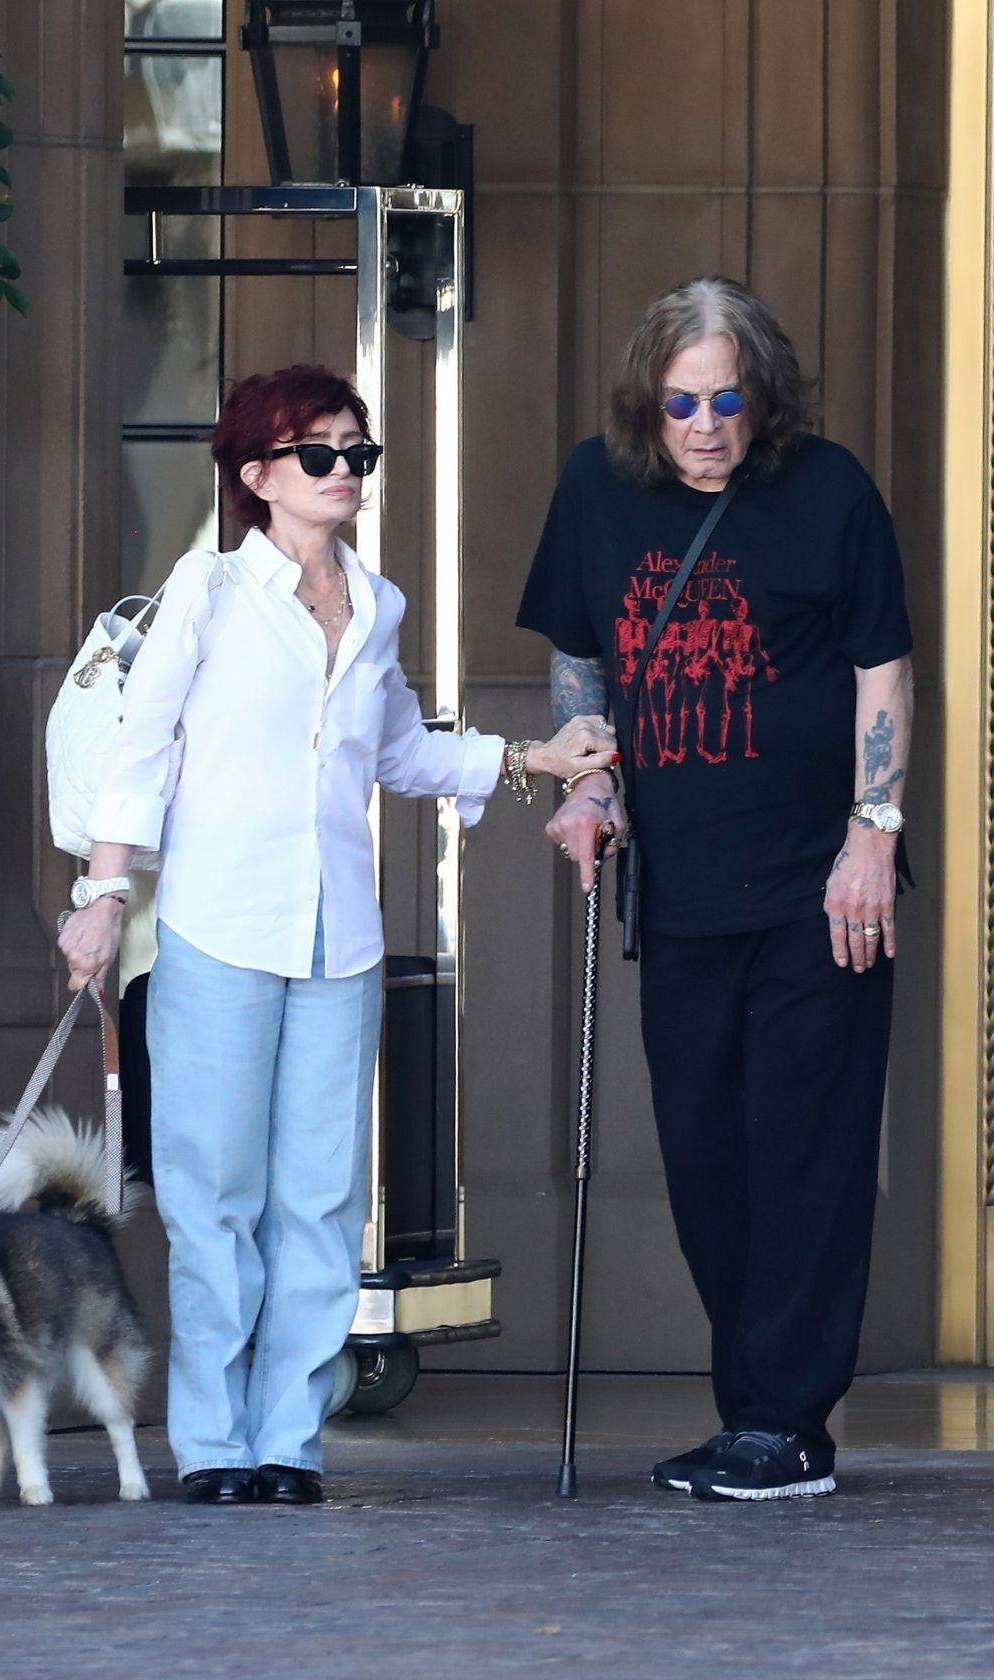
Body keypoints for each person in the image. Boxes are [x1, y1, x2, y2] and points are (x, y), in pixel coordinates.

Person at [60, 364, 616, 1506]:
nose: (346, 472)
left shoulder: (379, 606)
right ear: (259, 475)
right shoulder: (207, 589)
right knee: (214, 1197)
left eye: (359, 453)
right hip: (217, 926)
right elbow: (141, 749)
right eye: (322, 454)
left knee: (319, 1200)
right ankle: (212, 1442)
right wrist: (102, 897)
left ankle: (287, 1441)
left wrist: (530, 760)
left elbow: (399, 751)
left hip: (338, 943)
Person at [517, 278, 913, 1502]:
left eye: (727, 398)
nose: (704, 424)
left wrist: (873, 838)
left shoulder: (829, 490)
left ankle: (790, 1425)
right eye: (681, 402)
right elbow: (580, 653)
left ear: (765, 394)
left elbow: (882, 672)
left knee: (806, 1155)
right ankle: (752, 1412)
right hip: (680, 892)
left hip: (818, 892)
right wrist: (590, 790)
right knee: (706, 1157)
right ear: (650, 401)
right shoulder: (597, 486)